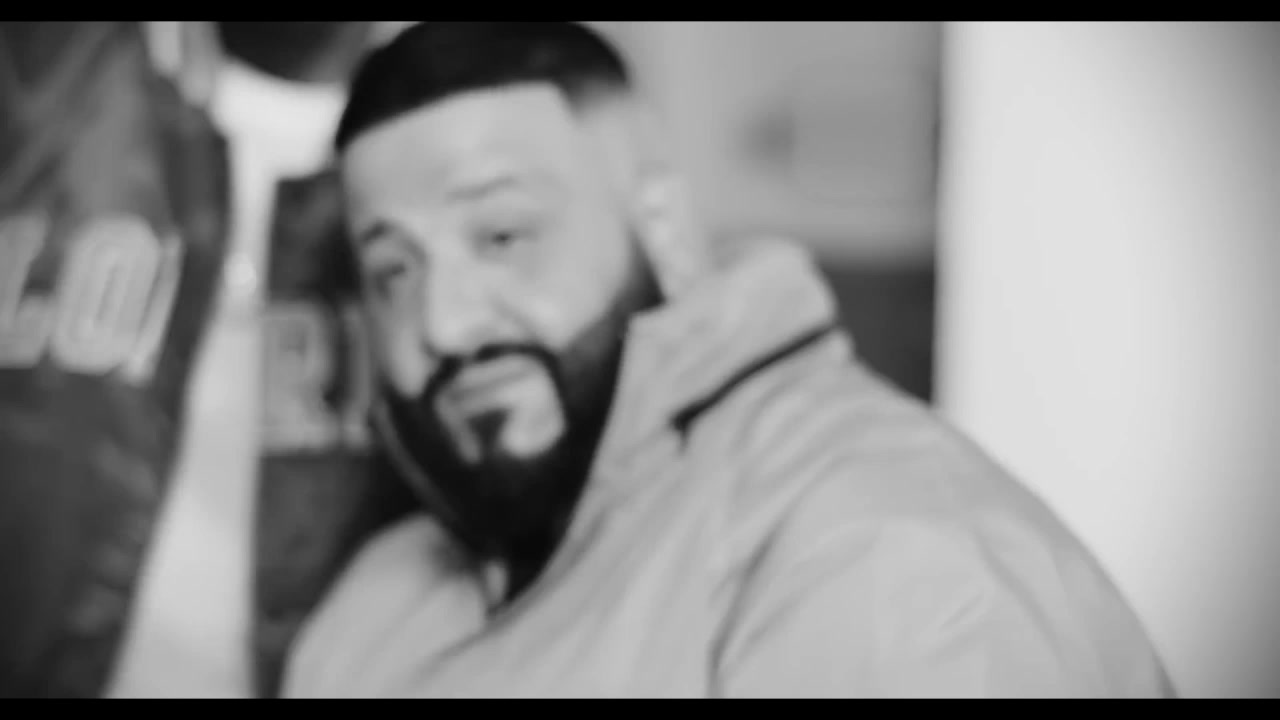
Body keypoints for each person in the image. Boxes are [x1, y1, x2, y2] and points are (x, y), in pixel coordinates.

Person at [281, 21, 1175, 699]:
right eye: (394, 271)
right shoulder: (379, 599)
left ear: (665, 230)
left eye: (503, 234)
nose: (444, 322)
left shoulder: (894, 559)